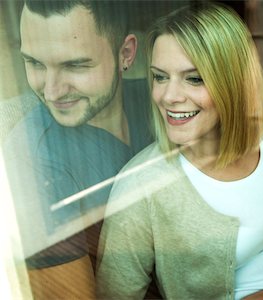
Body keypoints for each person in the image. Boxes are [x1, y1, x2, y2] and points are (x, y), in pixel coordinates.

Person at [96, 3, 263, 299]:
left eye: (193, 78)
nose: (168, 96)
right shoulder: (140, 188)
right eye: (159, 77)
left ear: (233, 84)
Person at [2, 0, 153, 298]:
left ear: (125, 53)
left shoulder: (166, 104)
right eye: (34, 63)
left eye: (74, 65)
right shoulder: (29, 166)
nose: (51, 91)